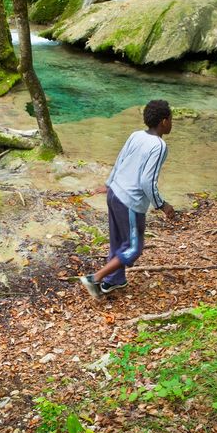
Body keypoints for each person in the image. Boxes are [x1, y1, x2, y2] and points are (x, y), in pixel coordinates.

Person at [80, 100, 176, 299]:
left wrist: (108, 184)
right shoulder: (159, 146)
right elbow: (147, 181)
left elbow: (120, 159)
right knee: (133, 248)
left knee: (118, 242)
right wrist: (162, 204)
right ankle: (95, 278)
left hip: (115, 193)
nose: (171, 123)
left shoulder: (136, 135)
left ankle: (114, 281)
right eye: (171, 119)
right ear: (164, 121)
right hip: (129, 201)